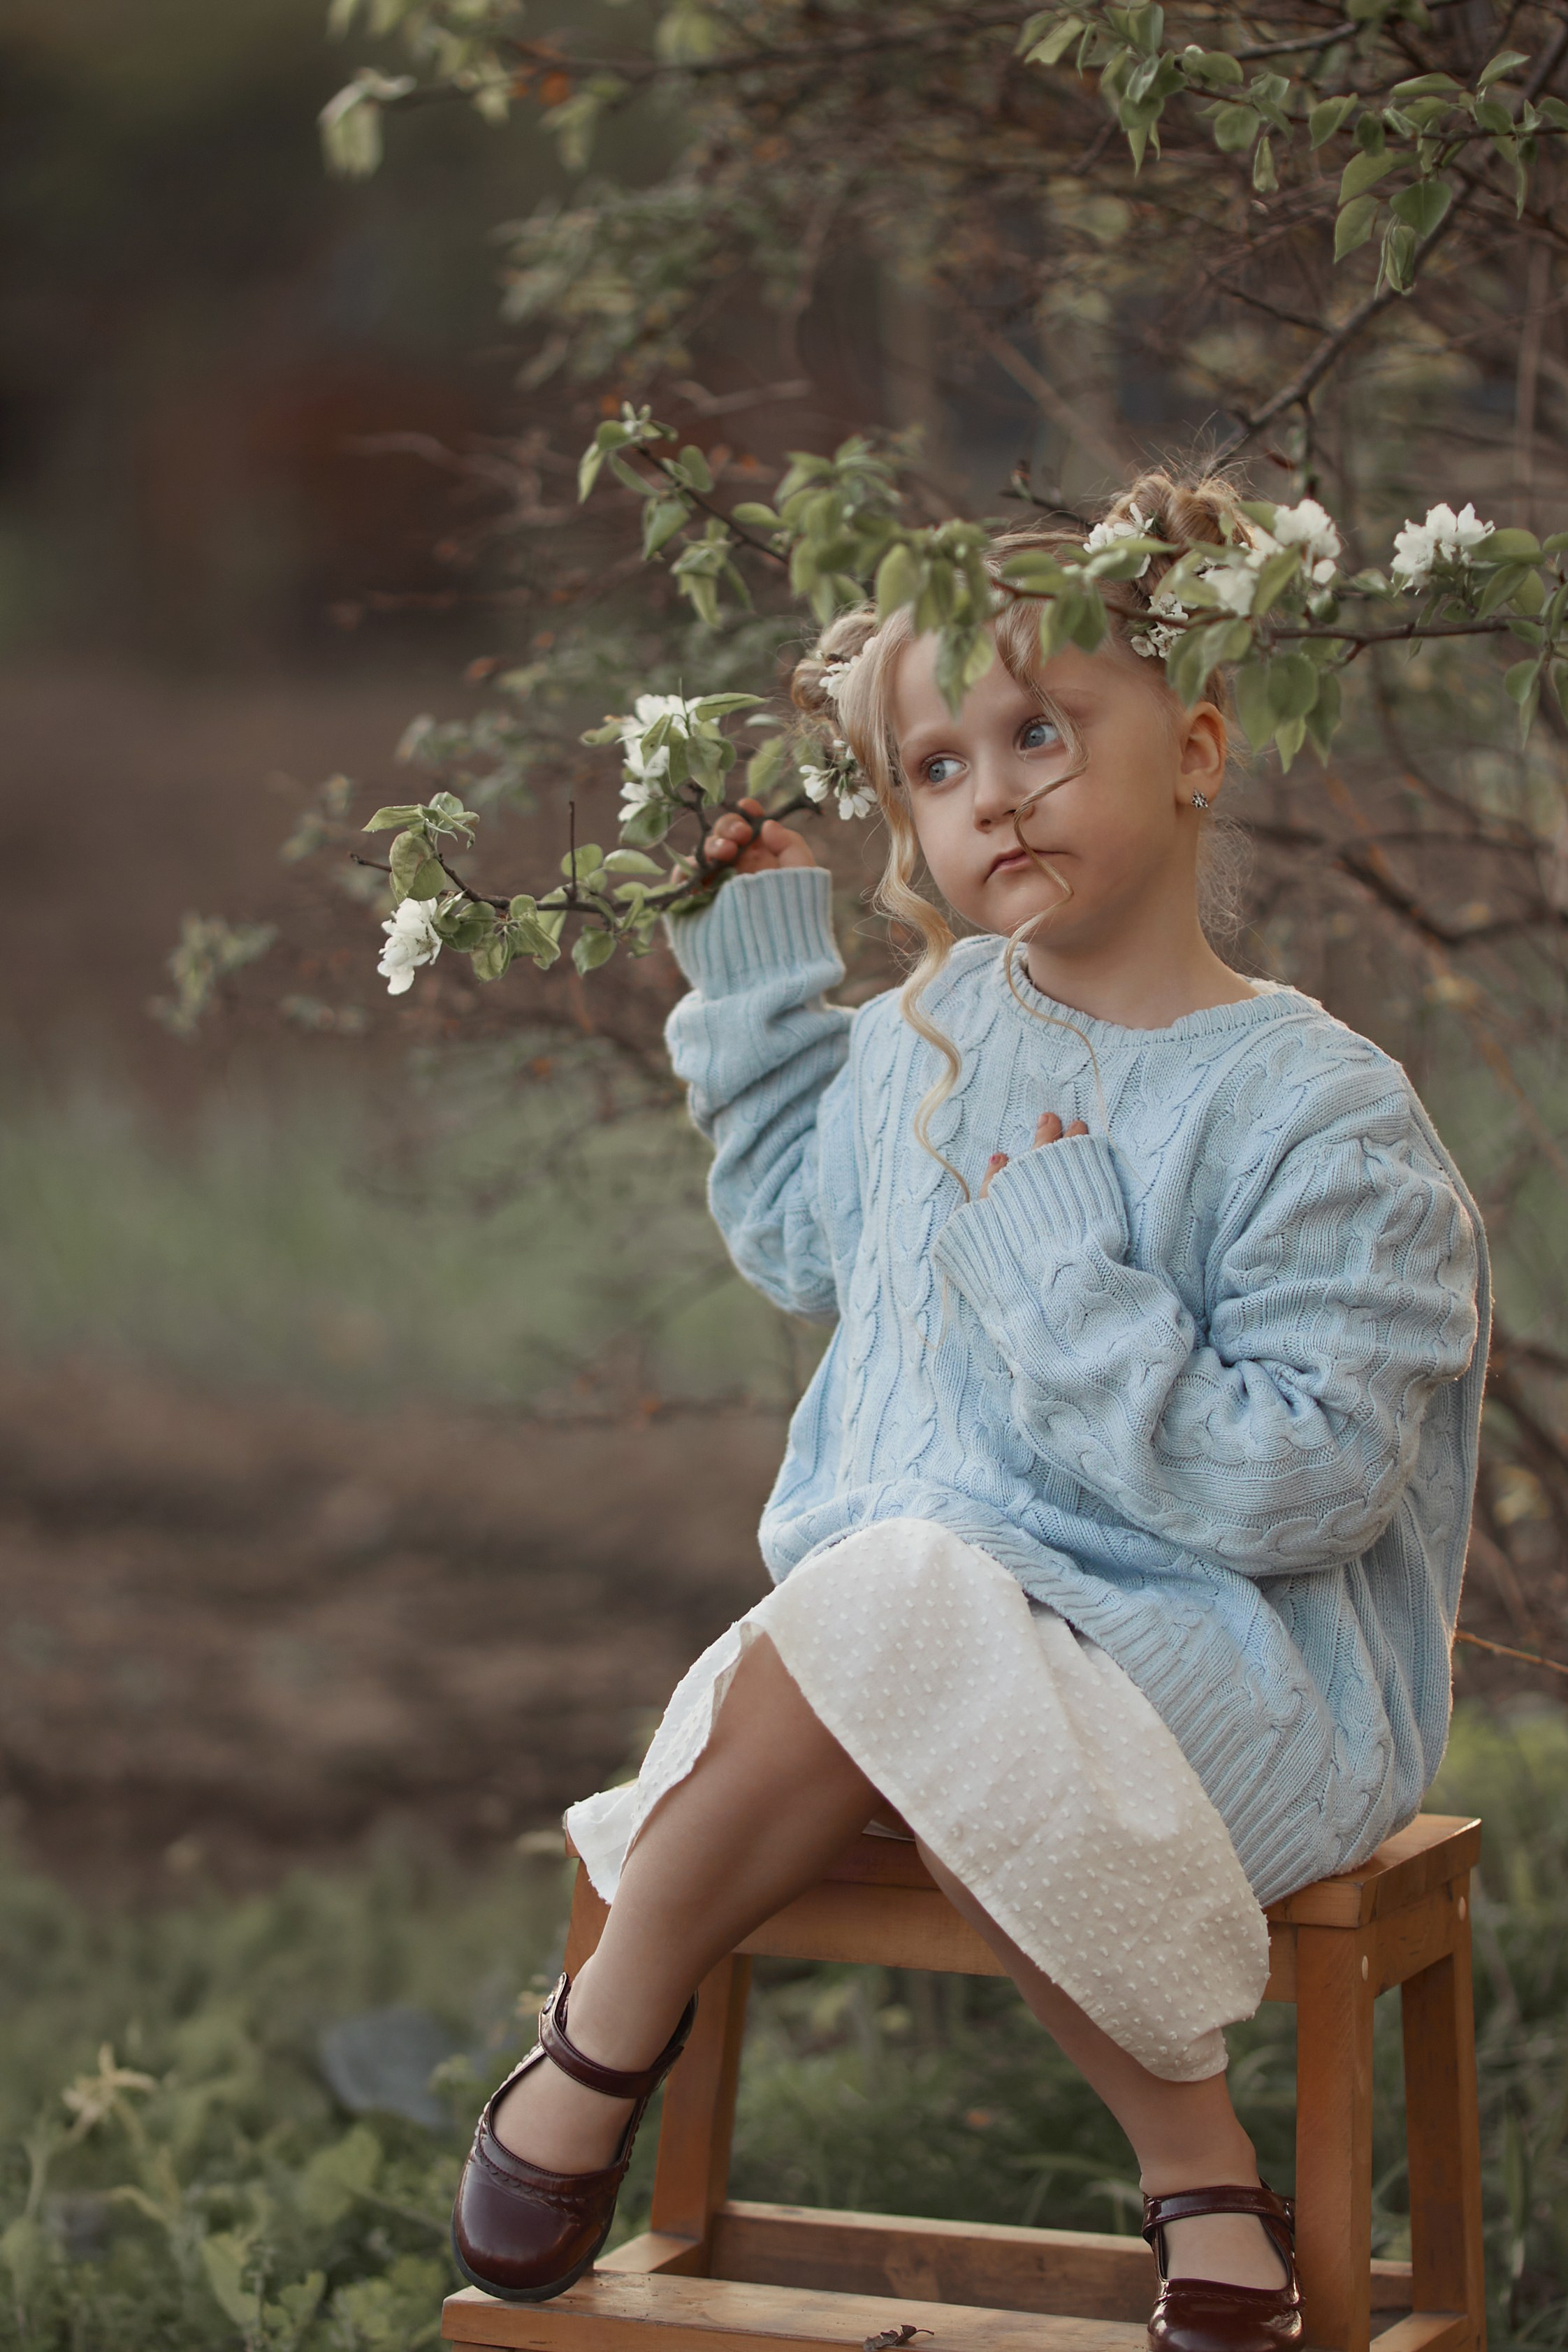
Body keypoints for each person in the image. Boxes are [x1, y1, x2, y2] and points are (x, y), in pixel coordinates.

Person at [451, 468, 1489, 2352]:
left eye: (1037, 731)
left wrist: (1074, 1286)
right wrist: (758, 973)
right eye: (934, 765)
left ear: (1186, 747)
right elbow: (791, 1229)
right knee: (897, 1595)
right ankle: (1196, 2178)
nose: (990, 789)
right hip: (898, 1656)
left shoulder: (1318, 1116)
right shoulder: (922, 1044)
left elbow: (1304, 1492)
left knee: (888, 1593)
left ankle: (597, 2041)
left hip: (1225, 1680)